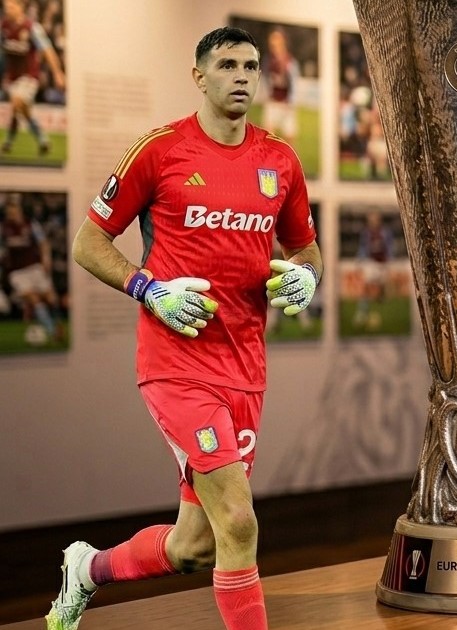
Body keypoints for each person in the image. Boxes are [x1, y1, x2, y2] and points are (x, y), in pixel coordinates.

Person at [45, 26, 321, 630]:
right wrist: (148, 288)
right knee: (239, 523)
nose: (242, 76)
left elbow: (305, 247)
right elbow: (88, 242)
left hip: (245, 367)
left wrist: (308, 276)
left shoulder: (280, 159)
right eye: (227, 65)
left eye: (251, 65)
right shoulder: (160, 150)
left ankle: (87, 569)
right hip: (176, 364)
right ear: (199, 76)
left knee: (197, 546)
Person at [1, 0, 65, 156]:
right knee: (19, 109)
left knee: (17, 102)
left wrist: (57, 73)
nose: (8, 10)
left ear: (20, 7)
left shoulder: (32, 28)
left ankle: (10, 141)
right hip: (13, 78)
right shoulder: (4, 27)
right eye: (6, 7)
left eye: (11, 7)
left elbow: (47, 50)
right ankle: (40, 140)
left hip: (29, 76)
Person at [1, 193, 64, 343]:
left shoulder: (31, 224)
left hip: (34, 267)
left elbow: (43, 243)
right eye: (9, 211)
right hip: (17, 271)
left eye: (13, 209)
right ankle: (52, 332)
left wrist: (46, 259)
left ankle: (57, 325)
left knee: (51, 298)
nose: (11, 213)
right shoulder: (4, 228)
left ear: (19, 209)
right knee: (34, 299)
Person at [261, 27, 298, 147]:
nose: (274, 45)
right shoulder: (268, 60)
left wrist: (291, 102)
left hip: (286, 104)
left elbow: (294, 83)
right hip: (273, 102)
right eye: (272, 43)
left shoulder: (290, 61)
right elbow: (265, 78)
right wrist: (267, 96)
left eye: (277, 41)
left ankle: (289, 159)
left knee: (290, 140)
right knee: (268, 137)